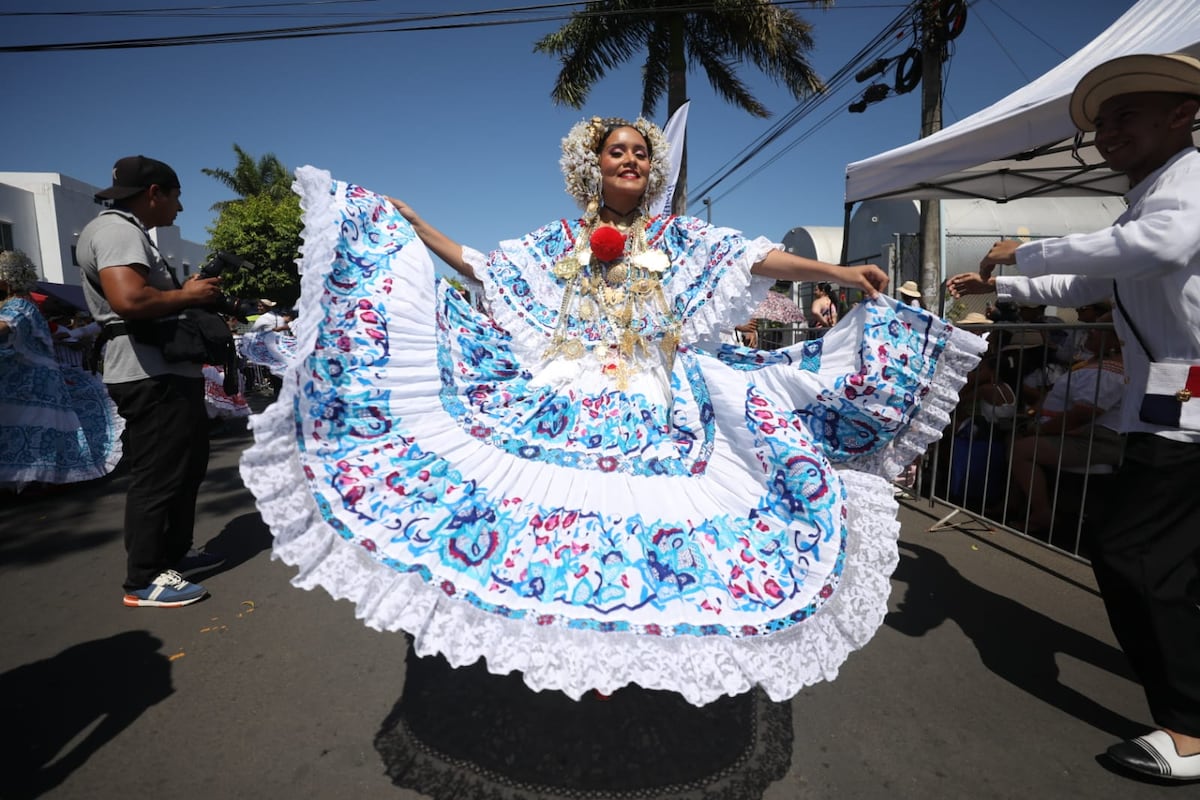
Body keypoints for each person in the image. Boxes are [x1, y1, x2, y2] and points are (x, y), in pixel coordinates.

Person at [240, 115, 984, 706]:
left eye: (638, 153)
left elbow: (753, 258)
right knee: (548, 508)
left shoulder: (677, 237)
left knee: (641, 512)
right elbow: (482, 265)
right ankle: (566, 629)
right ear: (592, 167)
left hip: (650, 391)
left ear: (650, 169)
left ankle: (627, 632)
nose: (628, 161)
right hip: (564, 390)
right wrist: (414, 226)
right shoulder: (558, 242)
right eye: (615, 153)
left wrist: (831, 268)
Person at [947, 52, 1200, 780]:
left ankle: (1189, 728)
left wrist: (1022, 250)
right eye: (1103, 122)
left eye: (1127, 114)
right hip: (1174, 398)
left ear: (1181, 113)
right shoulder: (1153, 192)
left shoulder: (1186, 185)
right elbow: (1092, 274)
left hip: (1187, 405)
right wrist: (1006, 280)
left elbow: (1155, 248)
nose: (1108, 131)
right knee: (1161, 558)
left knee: (1134, 555)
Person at [76, 155, 226, 608]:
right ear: (155, 193)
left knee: (185, 466)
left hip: (163, 369)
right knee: (159, 474)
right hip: (148, 372)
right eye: (176, 197)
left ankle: (171, 556)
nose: (179, 209)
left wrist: (186, 293)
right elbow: (129, 297)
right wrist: (189, 295)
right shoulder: (118, 230)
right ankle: (143, 579)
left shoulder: (125, 231)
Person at [0, 250, 123, 492]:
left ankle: (39, 480)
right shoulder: (24, 305)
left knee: (34, 428)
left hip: (33, 383)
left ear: (7, 278)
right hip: (32, 380)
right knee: (35, 428)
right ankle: (37, 479)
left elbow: (6, 325)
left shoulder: (19, 305)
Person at [1007, 318, 1124, 534]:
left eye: (1096, 330)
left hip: (1092, 440)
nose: (1088, 334)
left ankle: (1042, 513)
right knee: (1017, 440)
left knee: (1022, 450)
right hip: (1072, 432)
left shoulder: (1110, 371)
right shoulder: (1095, 364)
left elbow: (1081, 416)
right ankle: (1015, 504)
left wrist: (1041, 429)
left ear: (1113, 338)